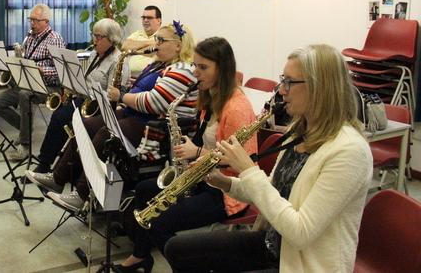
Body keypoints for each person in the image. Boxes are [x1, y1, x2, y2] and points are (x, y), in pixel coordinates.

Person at [165, 44, 373, 273]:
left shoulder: (350, 151)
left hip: (304, 263)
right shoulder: (300, 132)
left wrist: (248, 170)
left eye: (290, 82)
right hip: (274, 246)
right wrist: (226, 183)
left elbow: (300, 232)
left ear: (319, 88)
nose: (281, 91)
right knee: (177, 249)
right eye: (283, 80)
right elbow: (272, 192)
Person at [114, 37, 257, 273]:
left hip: (227, 191)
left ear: (221, 68)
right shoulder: (210, 98)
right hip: (203, 178)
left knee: (159, 223)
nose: (196, 73)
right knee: (144, 190)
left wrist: (198, 151)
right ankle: (140, 257)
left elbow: (245, 163)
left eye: (203, 68)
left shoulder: (237, 108)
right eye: (195, 66)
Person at [26, 21, 197, 211]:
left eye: (161, 40)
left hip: (153, 125)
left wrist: (122, 97)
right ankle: (57, 178)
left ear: (179, 45)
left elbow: (152, 102)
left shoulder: (182, 69)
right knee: (85, 125)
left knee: (104, 134)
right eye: (156, 39)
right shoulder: (160, 64)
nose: (155, 43)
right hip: (134, 114)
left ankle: (81, 195)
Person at [32, 18, 130, 173]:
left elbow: (113, 94)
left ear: (112, 40)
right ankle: (44, 163)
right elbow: (86, 80)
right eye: (94, 35)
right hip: (85, 100)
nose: (95, 40)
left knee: (77, 125)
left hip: (100, 106)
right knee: (58, 117)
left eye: (100, 37)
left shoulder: (118, 62)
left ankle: (66, 168)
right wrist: (75, 87)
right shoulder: (94, 55)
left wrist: (86, 92)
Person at [0, 3, 65, 160]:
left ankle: (25, 143)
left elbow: (61, 74)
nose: (32, 23)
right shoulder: (30, 38)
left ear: (46, 21)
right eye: (30, 19)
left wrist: (42, 71)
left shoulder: (55, 39)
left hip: (49, 87)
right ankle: (25, 127)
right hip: (29, 83)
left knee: (25, 94)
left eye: (35, 20)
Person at [122, 6, 162, 77]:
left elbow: (155, 51)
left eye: (149, 18)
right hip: (129, 75)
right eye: (143, 18)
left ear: (158, 20)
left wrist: (133, 50)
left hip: (149, 76)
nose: (145, 20)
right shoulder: (137, 34)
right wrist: (148, 42)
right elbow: (124, 46)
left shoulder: (163, 35)